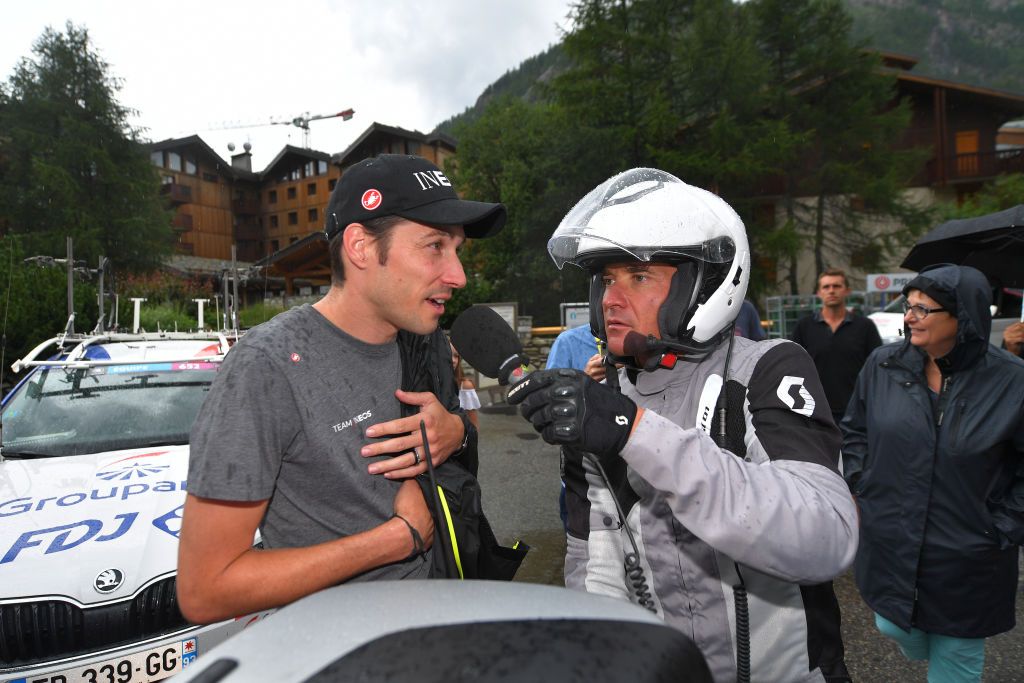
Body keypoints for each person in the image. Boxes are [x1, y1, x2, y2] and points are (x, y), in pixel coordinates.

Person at [507, 168, 858, 682]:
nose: (610, 299)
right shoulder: (603, 405)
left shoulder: (767, 369)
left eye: (639, 277)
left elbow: (825, 536)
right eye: (607, 279)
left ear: (705, 286)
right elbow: (594, 561)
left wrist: (635, 431)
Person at [177, 154, 505, 623]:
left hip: (435, 626)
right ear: (361, 248)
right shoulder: (265, 368)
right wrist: (398, 538)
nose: (458, 276)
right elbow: (205, 589)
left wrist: (456, 432)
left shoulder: (427, 343)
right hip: (334, 652)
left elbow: (456, 463)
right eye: (435, 246)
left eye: (457, 250)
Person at [841, 264, 1024, 683]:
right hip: (890, 533)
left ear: (963, 319)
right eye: (909, 306)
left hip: (967, 550)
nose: (909, 317)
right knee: (892, 622)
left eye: (924, 310)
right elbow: (855, 429)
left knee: (956, 657)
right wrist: (861, 481)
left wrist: (1002, 525)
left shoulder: (1012, 382)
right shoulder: (883, 365)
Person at [790, 267, 882, 424]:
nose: (831, 291)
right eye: (826, 287)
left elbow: (877, 369)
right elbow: (792, 368)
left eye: (837, 286)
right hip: (814, 413)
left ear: (847, 291)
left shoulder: (865, 326)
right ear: (819, 293)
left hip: (855, 413)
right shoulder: (804, 327)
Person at [450, 339, 480, 428]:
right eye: (449, 354)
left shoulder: (465, 386)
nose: (454, 360)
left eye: (456, 356)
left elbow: (473, 424)